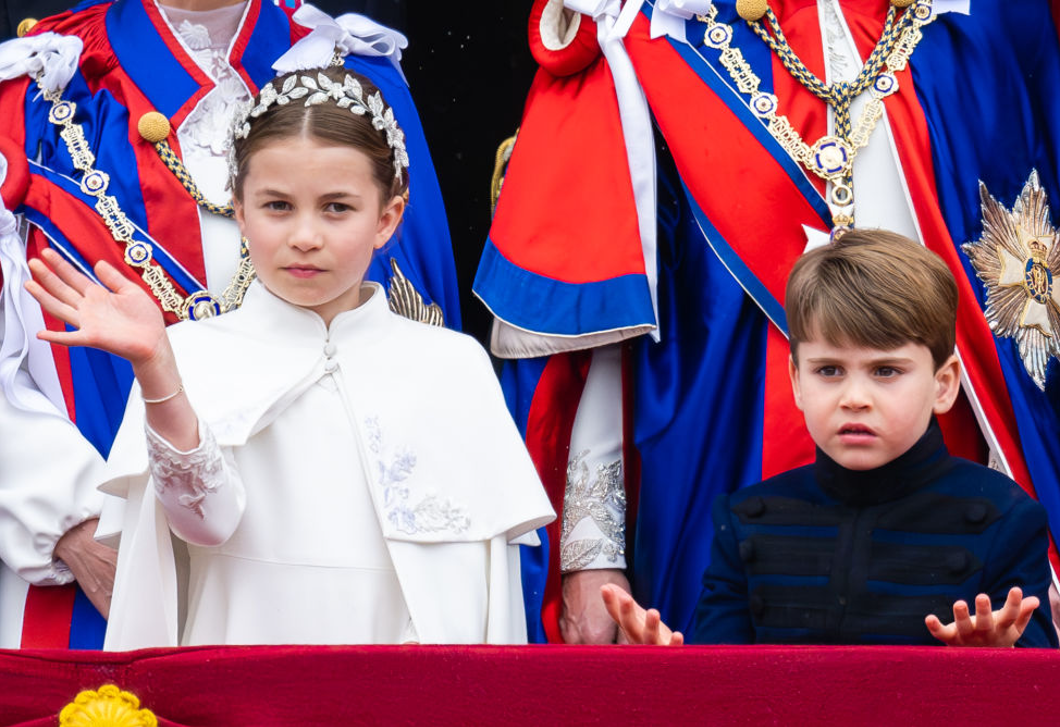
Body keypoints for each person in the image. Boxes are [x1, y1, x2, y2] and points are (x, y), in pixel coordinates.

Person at [476, 0, 1060, 643]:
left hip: (953, 481)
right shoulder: (655, 24)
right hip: (715, 462)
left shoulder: (984, 18)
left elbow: (1026, 312)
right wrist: (594, 552)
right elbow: (603, 313)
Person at [25, 66, 554, 647]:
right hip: (241, 684)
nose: (305, 235)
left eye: (336, 208)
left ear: (388, 218)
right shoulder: (191, 355)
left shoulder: (454, 367)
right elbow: (203, 521)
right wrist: (157, 370)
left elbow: (482, 597)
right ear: (240, 210)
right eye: (278, 206)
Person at [600, 230, 1057, 647]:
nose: (854, 398)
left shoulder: (1008, 519)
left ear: (943, 384)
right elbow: (722, 687)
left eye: (885, 371)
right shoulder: (746, 521)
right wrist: (671, 676)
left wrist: (1000, 664)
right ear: (798, 381)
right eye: (829, 371)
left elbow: (1040, 693)